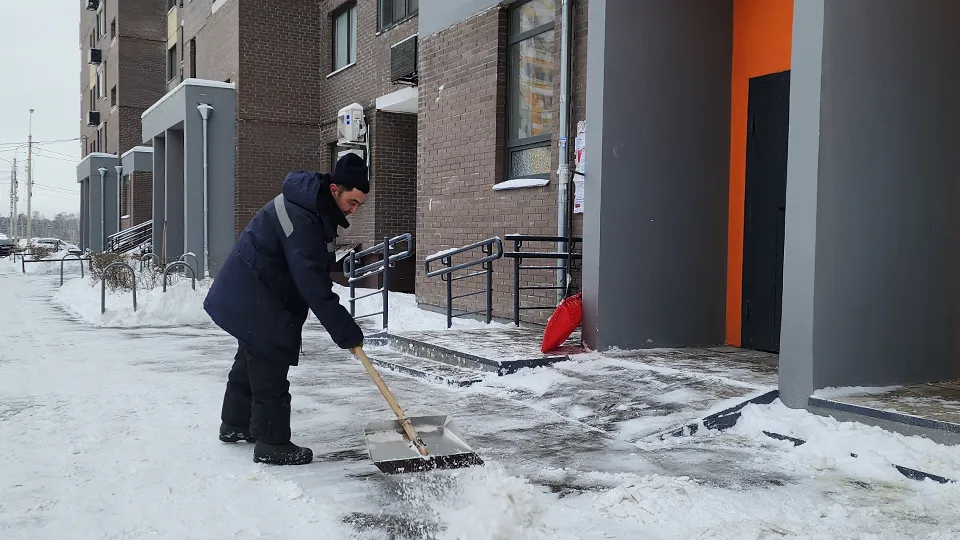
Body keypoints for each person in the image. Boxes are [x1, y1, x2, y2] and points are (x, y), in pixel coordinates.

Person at [203, 153, 369, 466]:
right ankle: (271, 442)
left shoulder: (309, 207)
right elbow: (312, 283)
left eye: (359, 204)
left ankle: (235, 424)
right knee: (269, 364)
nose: (354, 209)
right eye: (353, 201)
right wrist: (345, 330)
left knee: (250, 359)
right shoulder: (302, 216)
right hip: (257, 293)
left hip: (252, 290)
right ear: (335, 189)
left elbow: (312, 272)